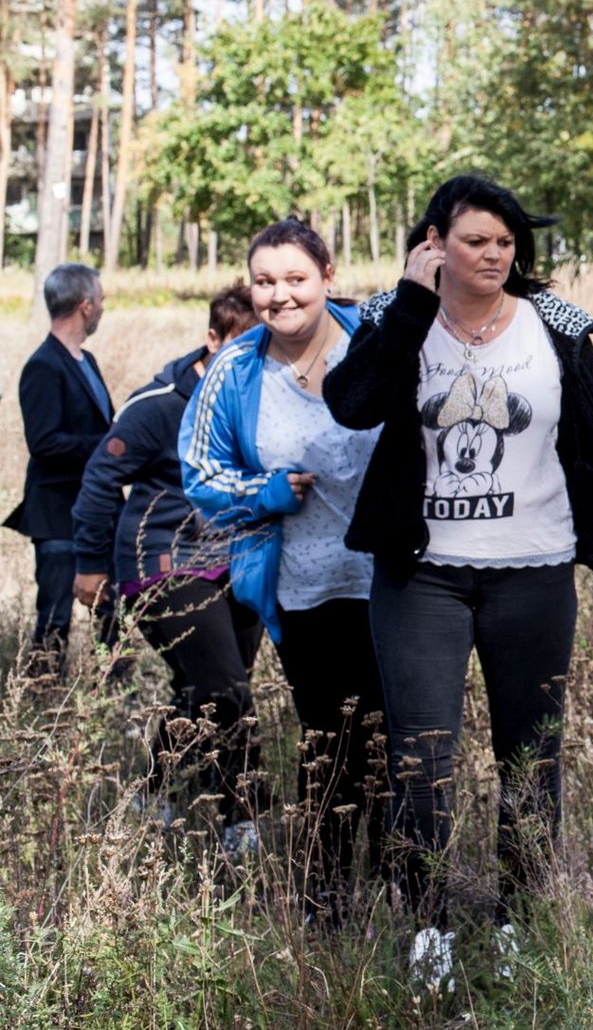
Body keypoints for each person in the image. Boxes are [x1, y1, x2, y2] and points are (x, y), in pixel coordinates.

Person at [323, 174, 593, 988]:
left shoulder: (560, 324)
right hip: (422, 576)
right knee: (420, 759)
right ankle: (425, 926)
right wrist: (407, 299)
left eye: (505, 242)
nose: (495, 254)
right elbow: (351, 404)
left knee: (531, 758)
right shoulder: (386, 316)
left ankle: (518, 920)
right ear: (434, 243)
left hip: (533, 572)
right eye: (476, 241)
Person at [179, 219, 388, 923]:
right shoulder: (238, 368)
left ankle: (406, 898)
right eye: (264, 282)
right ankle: (324, 899)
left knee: (394, 740)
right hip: (301, 591)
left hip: (394, 584)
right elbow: (201, 474)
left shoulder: (379, 341)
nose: (279, 295)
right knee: (327, 742)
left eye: (295, 278)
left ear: (328, 274)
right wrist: (261, 494)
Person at [73, 284, 265, 852]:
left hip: (238, 563)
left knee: (204, 691)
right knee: (226, 688)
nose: (252, 358)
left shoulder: (268, 394)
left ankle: (154, 795)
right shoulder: (160, 403)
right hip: (163, 562)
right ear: (212, 339)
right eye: (240, 345)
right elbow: (101, 477)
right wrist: (88, 565)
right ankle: (240, 819)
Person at [4, 263, 124, 678]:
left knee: (113, 614)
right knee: (54, 618)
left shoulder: (85, 359)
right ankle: (43, 699)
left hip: (97, 511)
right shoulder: (43, 366)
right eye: (102, 300)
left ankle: (115, 697)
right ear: (86, 306)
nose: (104, 307)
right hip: (56, 515)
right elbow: (44, 442)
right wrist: (110, 445)